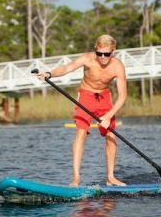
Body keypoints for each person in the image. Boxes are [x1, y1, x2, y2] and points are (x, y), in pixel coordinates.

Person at [34, 34, 127, 187]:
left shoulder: (117, 66)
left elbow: (122, 96)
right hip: (85, 96)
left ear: (113, 51)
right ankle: (76, 178)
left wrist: (108, 116)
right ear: (95, 50)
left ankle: (110, 177)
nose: (103, 57)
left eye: (107, 54)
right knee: (81, 133)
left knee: (111, 135)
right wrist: (49, 74)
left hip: (104, 98)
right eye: (100, 53)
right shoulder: (87, 59)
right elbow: (67, 68)